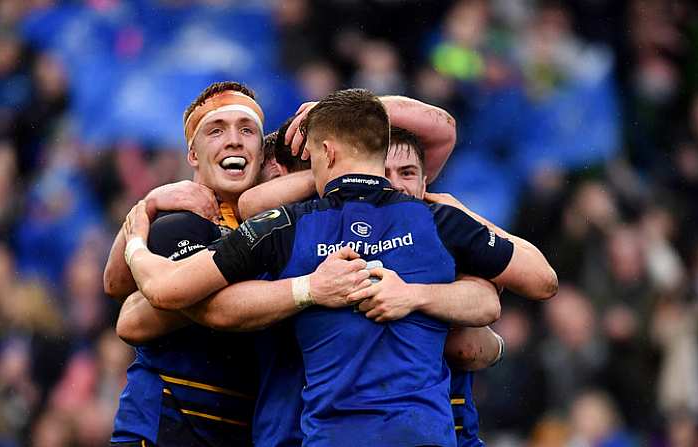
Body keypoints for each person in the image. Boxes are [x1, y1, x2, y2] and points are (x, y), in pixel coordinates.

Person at [122, 88, 557, 446]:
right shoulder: (437, 224)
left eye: (409, 171)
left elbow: (487, 320)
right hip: (404, 434)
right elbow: (530, 287)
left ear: (324, 153)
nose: (399, 180)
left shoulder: (291, 229)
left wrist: (135, 239)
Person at [104, 81, 371, 447]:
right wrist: (147, 206)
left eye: (246, 130)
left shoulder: (279, 228)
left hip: (244, 430)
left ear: (263, 157)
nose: (233, 140)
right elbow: (132, 312)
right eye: (216, 130)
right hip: (168, 425)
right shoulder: (180, 218)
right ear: (193, 156)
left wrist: (345, 117)